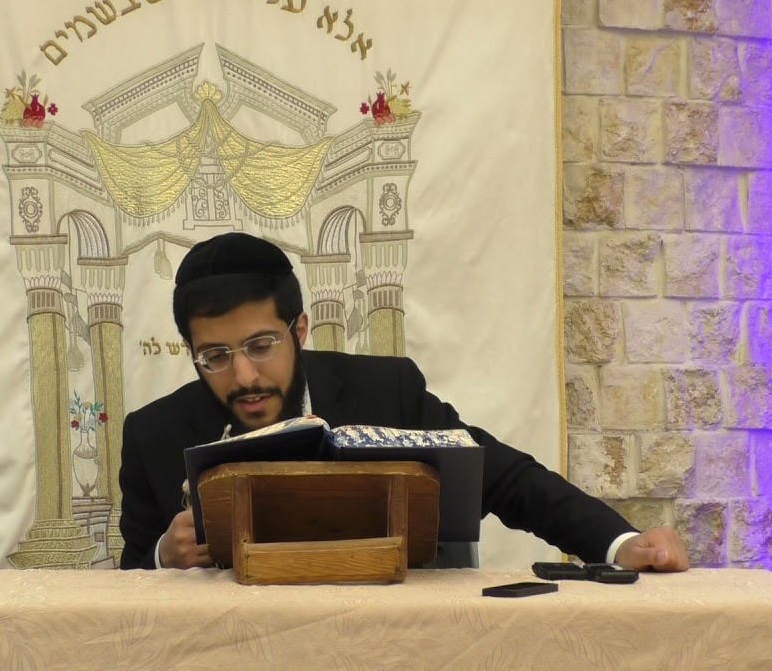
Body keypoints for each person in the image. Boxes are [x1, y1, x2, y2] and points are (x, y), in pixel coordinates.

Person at [118, 232, 689, 572]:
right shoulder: (152, 434)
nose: (244, 376)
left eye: (261, 346)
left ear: (300, 330)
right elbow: (130, 577)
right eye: (214, 355)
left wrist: (619, 544)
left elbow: (506, 478)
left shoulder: (384, 391)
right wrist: (163, 557)